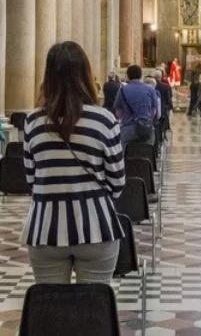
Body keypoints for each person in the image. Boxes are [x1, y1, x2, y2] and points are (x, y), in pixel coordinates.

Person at [23, 41, 126, 284]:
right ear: (86, 75)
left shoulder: (32, 121)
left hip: (45, 227)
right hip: (96, 226)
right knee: (93, 310)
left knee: (53, 310)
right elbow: (118, 182)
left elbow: (31, 179)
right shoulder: (104, 120)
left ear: (48, 76)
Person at [111, 64, 158, 145]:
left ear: (128, 76)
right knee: (147, 151)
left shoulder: (122, 90)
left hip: (128, 129)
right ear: (141, 75)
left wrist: (124, 118)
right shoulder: (150, 90)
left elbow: (118, 111)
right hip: (146, 128)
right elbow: (154, 111)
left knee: (124, 153)